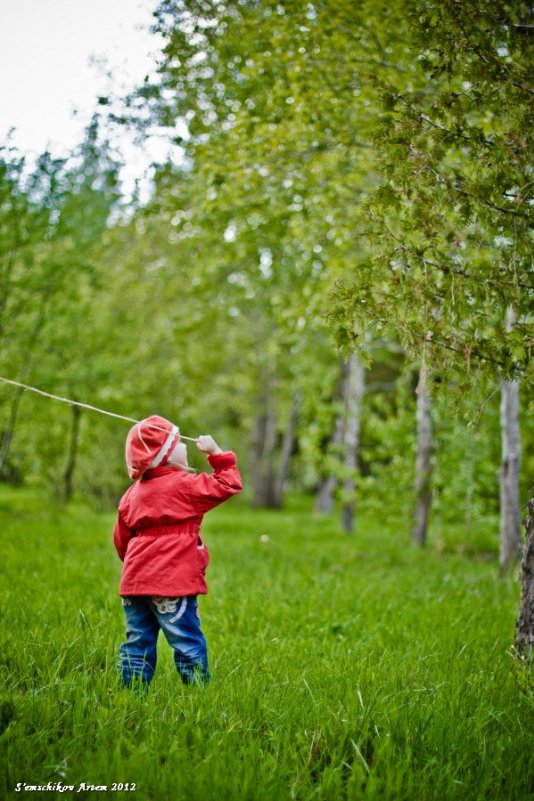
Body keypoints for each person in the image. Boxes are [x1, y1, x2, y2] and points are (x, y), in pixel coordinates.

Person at [113, 415, 242, 688]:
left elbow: (121, 541)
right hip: (172, 583)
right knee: (186, 641)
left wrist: (142, 569)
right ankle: (196, 696)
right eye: (180, 440)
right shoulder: (184, 485)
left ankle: (130, 696)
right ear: (167, 454)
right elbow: (227, 485)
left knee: (137, 644)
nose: (187, 443)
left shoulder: (131, 494)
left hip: (134, 584)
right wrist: (217, 454)